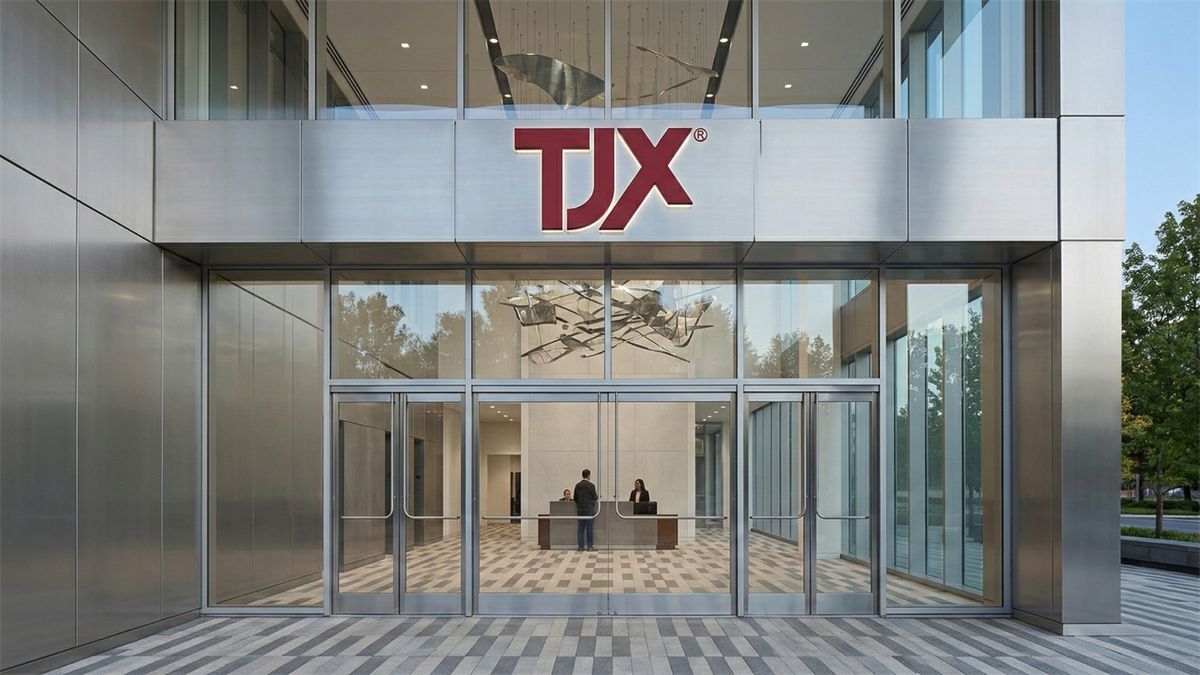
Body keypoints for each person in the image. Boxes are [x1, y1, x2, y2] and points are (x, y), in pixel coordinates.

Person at [573, 469, 598, 551]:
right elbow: (595, 497)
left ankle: (581, 546)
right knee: (589, 527)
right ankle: (590, 546)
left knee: (581, 527)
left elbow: (575, 498)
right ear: (589, 475)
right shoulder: (591, 485)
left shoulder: (577, 485)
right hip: (589, 508)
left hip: (580, 508)